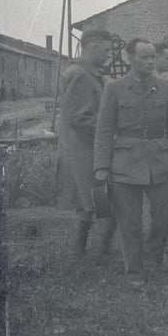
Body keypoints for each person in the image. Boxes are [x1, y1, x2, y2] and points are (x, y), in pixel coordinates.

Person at [94, 38, 168, 287]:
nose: (151, 61)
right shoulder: (114, 88)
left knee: (167, 213)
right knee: (129, 219)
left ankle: (154, 257)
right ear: (130, 59)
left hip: (159, 160)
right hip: (125, 162)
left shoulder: (165, 87)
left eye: (153, 56)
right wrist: (101, 166)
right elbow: (104, 130)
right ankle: (133, 270)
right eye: (145, 57)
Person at [57, 27, 117, 257]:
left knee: (94, 201)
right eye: (107, 49)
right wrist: (108, 135)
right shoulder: (79, 75)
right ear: (92, 47)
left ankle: (86, 251)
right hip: (85, 150)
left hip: (89, 148)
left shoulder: (90, 73)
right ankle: (89, 251)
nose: (109, 54)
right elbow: (78, 118)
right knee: (96, 200)